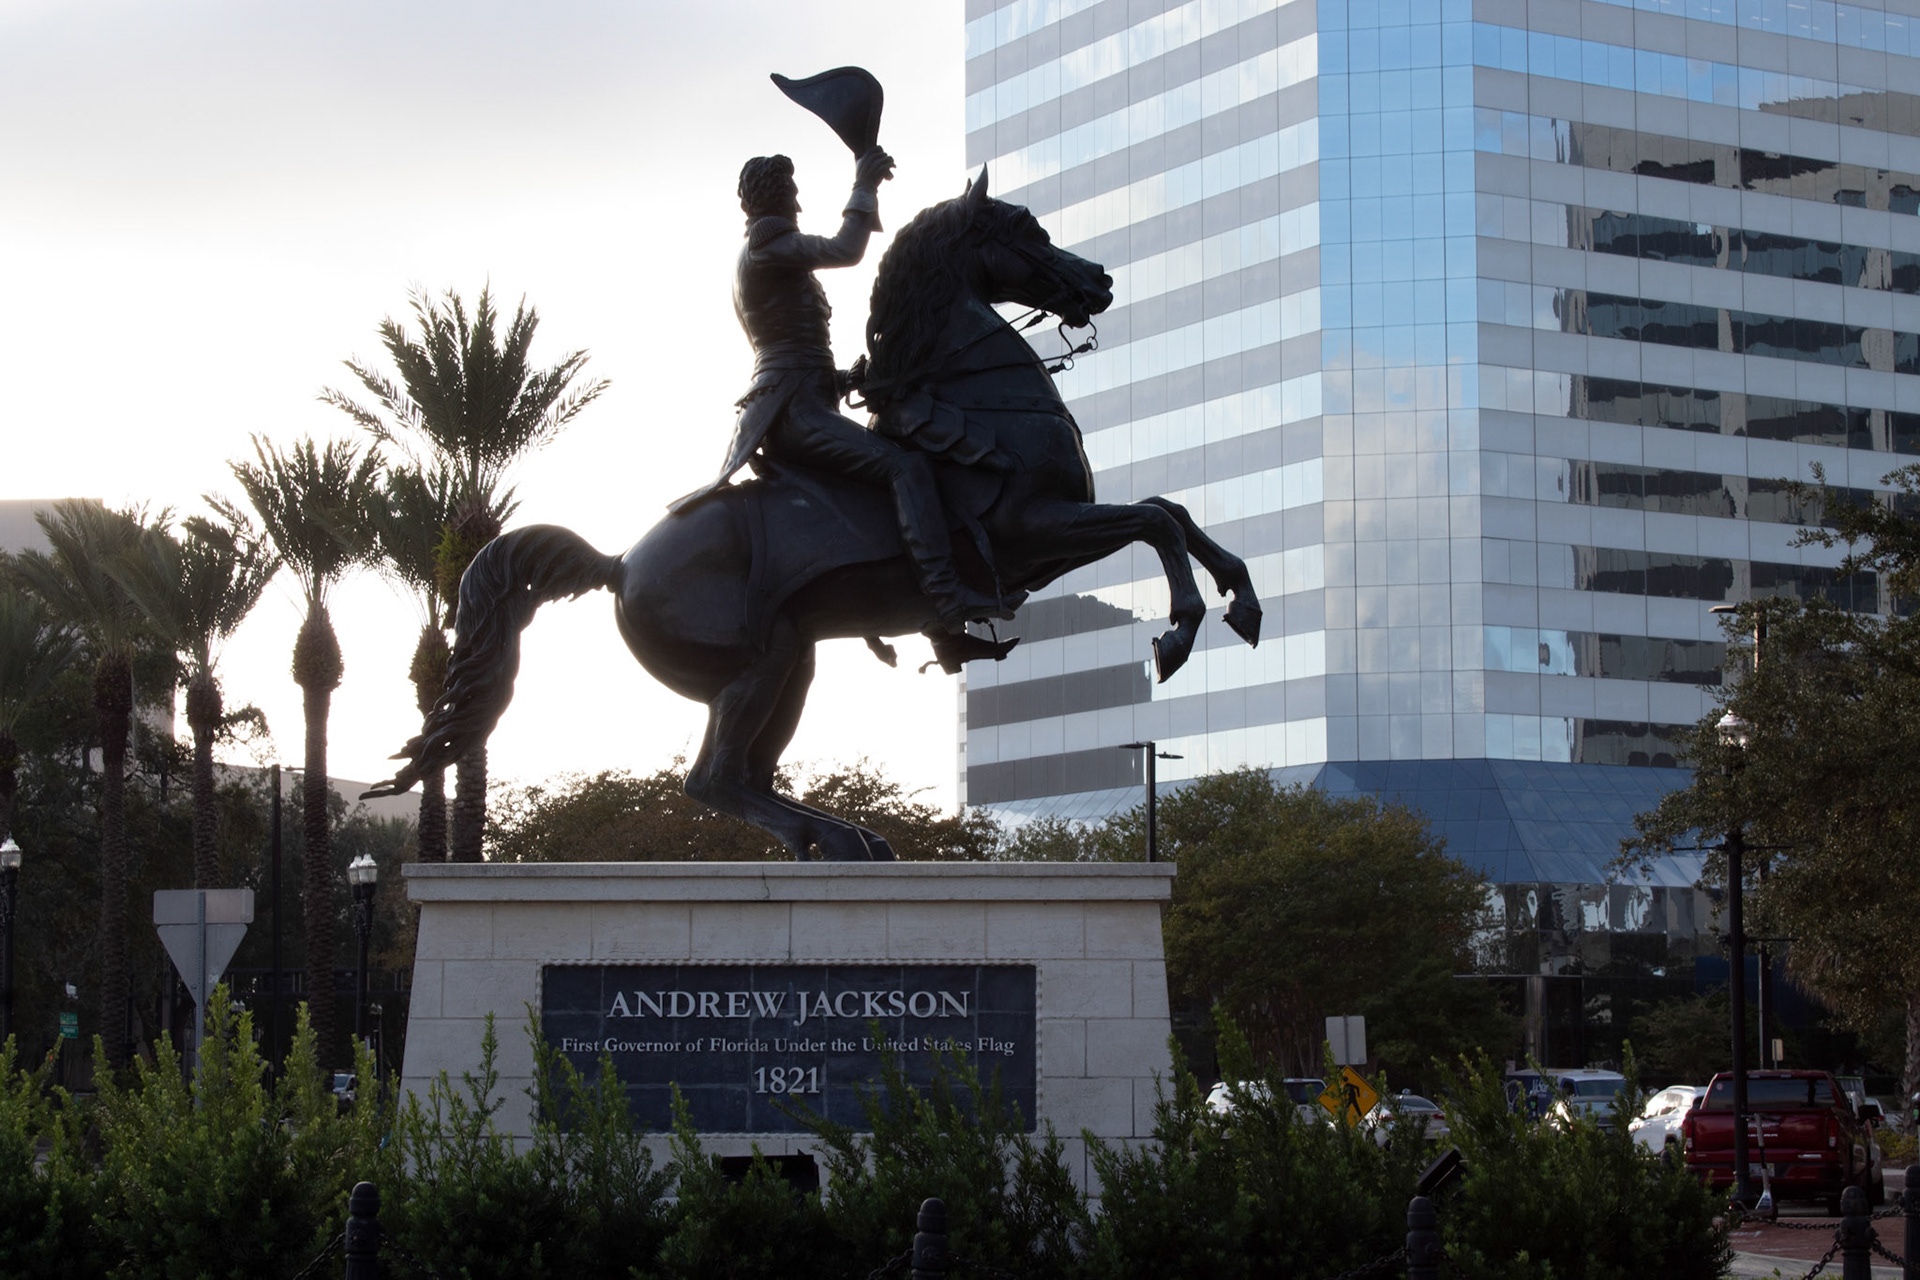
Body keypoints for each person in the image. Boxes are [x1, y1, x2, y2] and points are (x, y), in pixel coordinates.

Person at [673, 148, 1018, 650]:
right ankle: (947, 601)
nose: (797, 199)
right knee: (905, 468)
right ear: (776, 196)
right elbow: (845, 249)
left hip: (802, 400)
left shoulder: (766, 253)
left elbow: (792, 351)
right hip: (793, 414)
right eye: (791, 191)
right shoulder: (768, 246)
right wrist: (864, 183)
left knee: (893, 467)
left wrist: (842, 379)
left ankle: (931, 619)